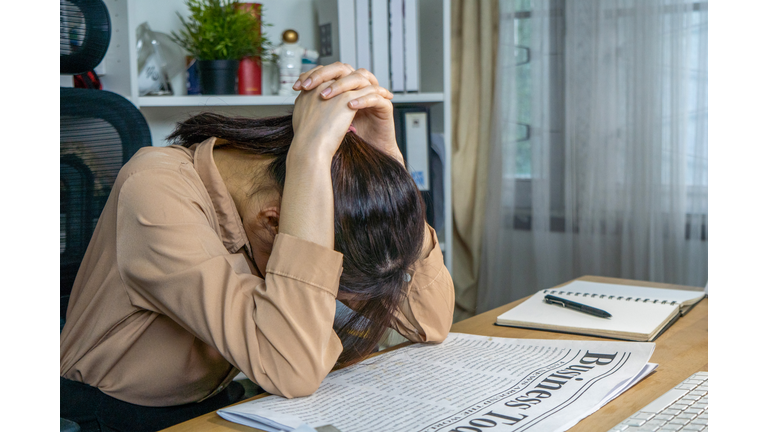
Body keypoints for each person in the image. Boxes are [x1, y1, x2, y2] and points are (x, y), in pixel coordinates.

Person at [60, 63, 454, 431]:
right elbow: (291, 367)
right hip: (112, 417)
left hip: (219, 402)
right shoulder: (153, 189)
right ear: (273, 222)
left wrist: (386, 165)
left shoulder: (283, 192)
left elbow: (431, 321)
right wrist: (309, 156)